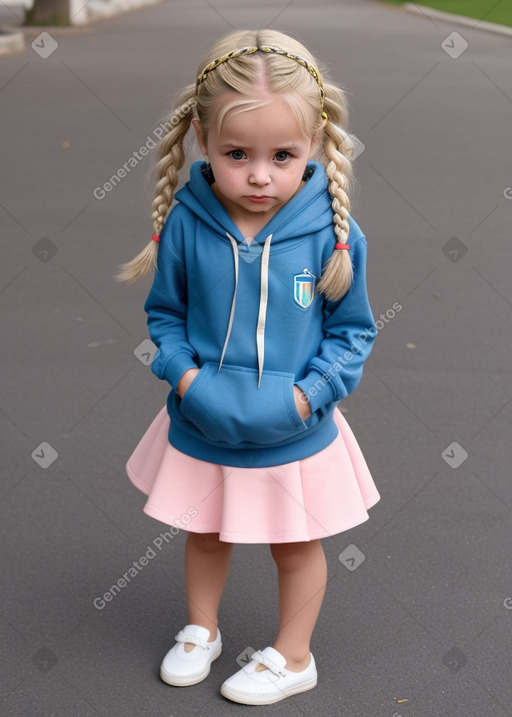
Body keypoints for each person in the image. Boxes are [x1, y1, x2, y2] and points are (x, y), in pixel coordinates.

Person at [115, 28, 380, 706]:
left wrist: (305, 398)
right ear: (203, 142)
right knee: (204, 532)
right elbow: (165, 317)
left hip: (295, 429)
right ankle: (201, 628)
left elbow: (351, 334)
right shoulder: (185, 222)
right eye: (238, 154)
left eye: (282, 155)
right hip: (203, 416)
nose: (259, 174)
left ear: (316, 143)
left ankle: (294, 655)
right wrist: (186, 379)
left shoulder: (334, 234)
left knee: (294, 543)